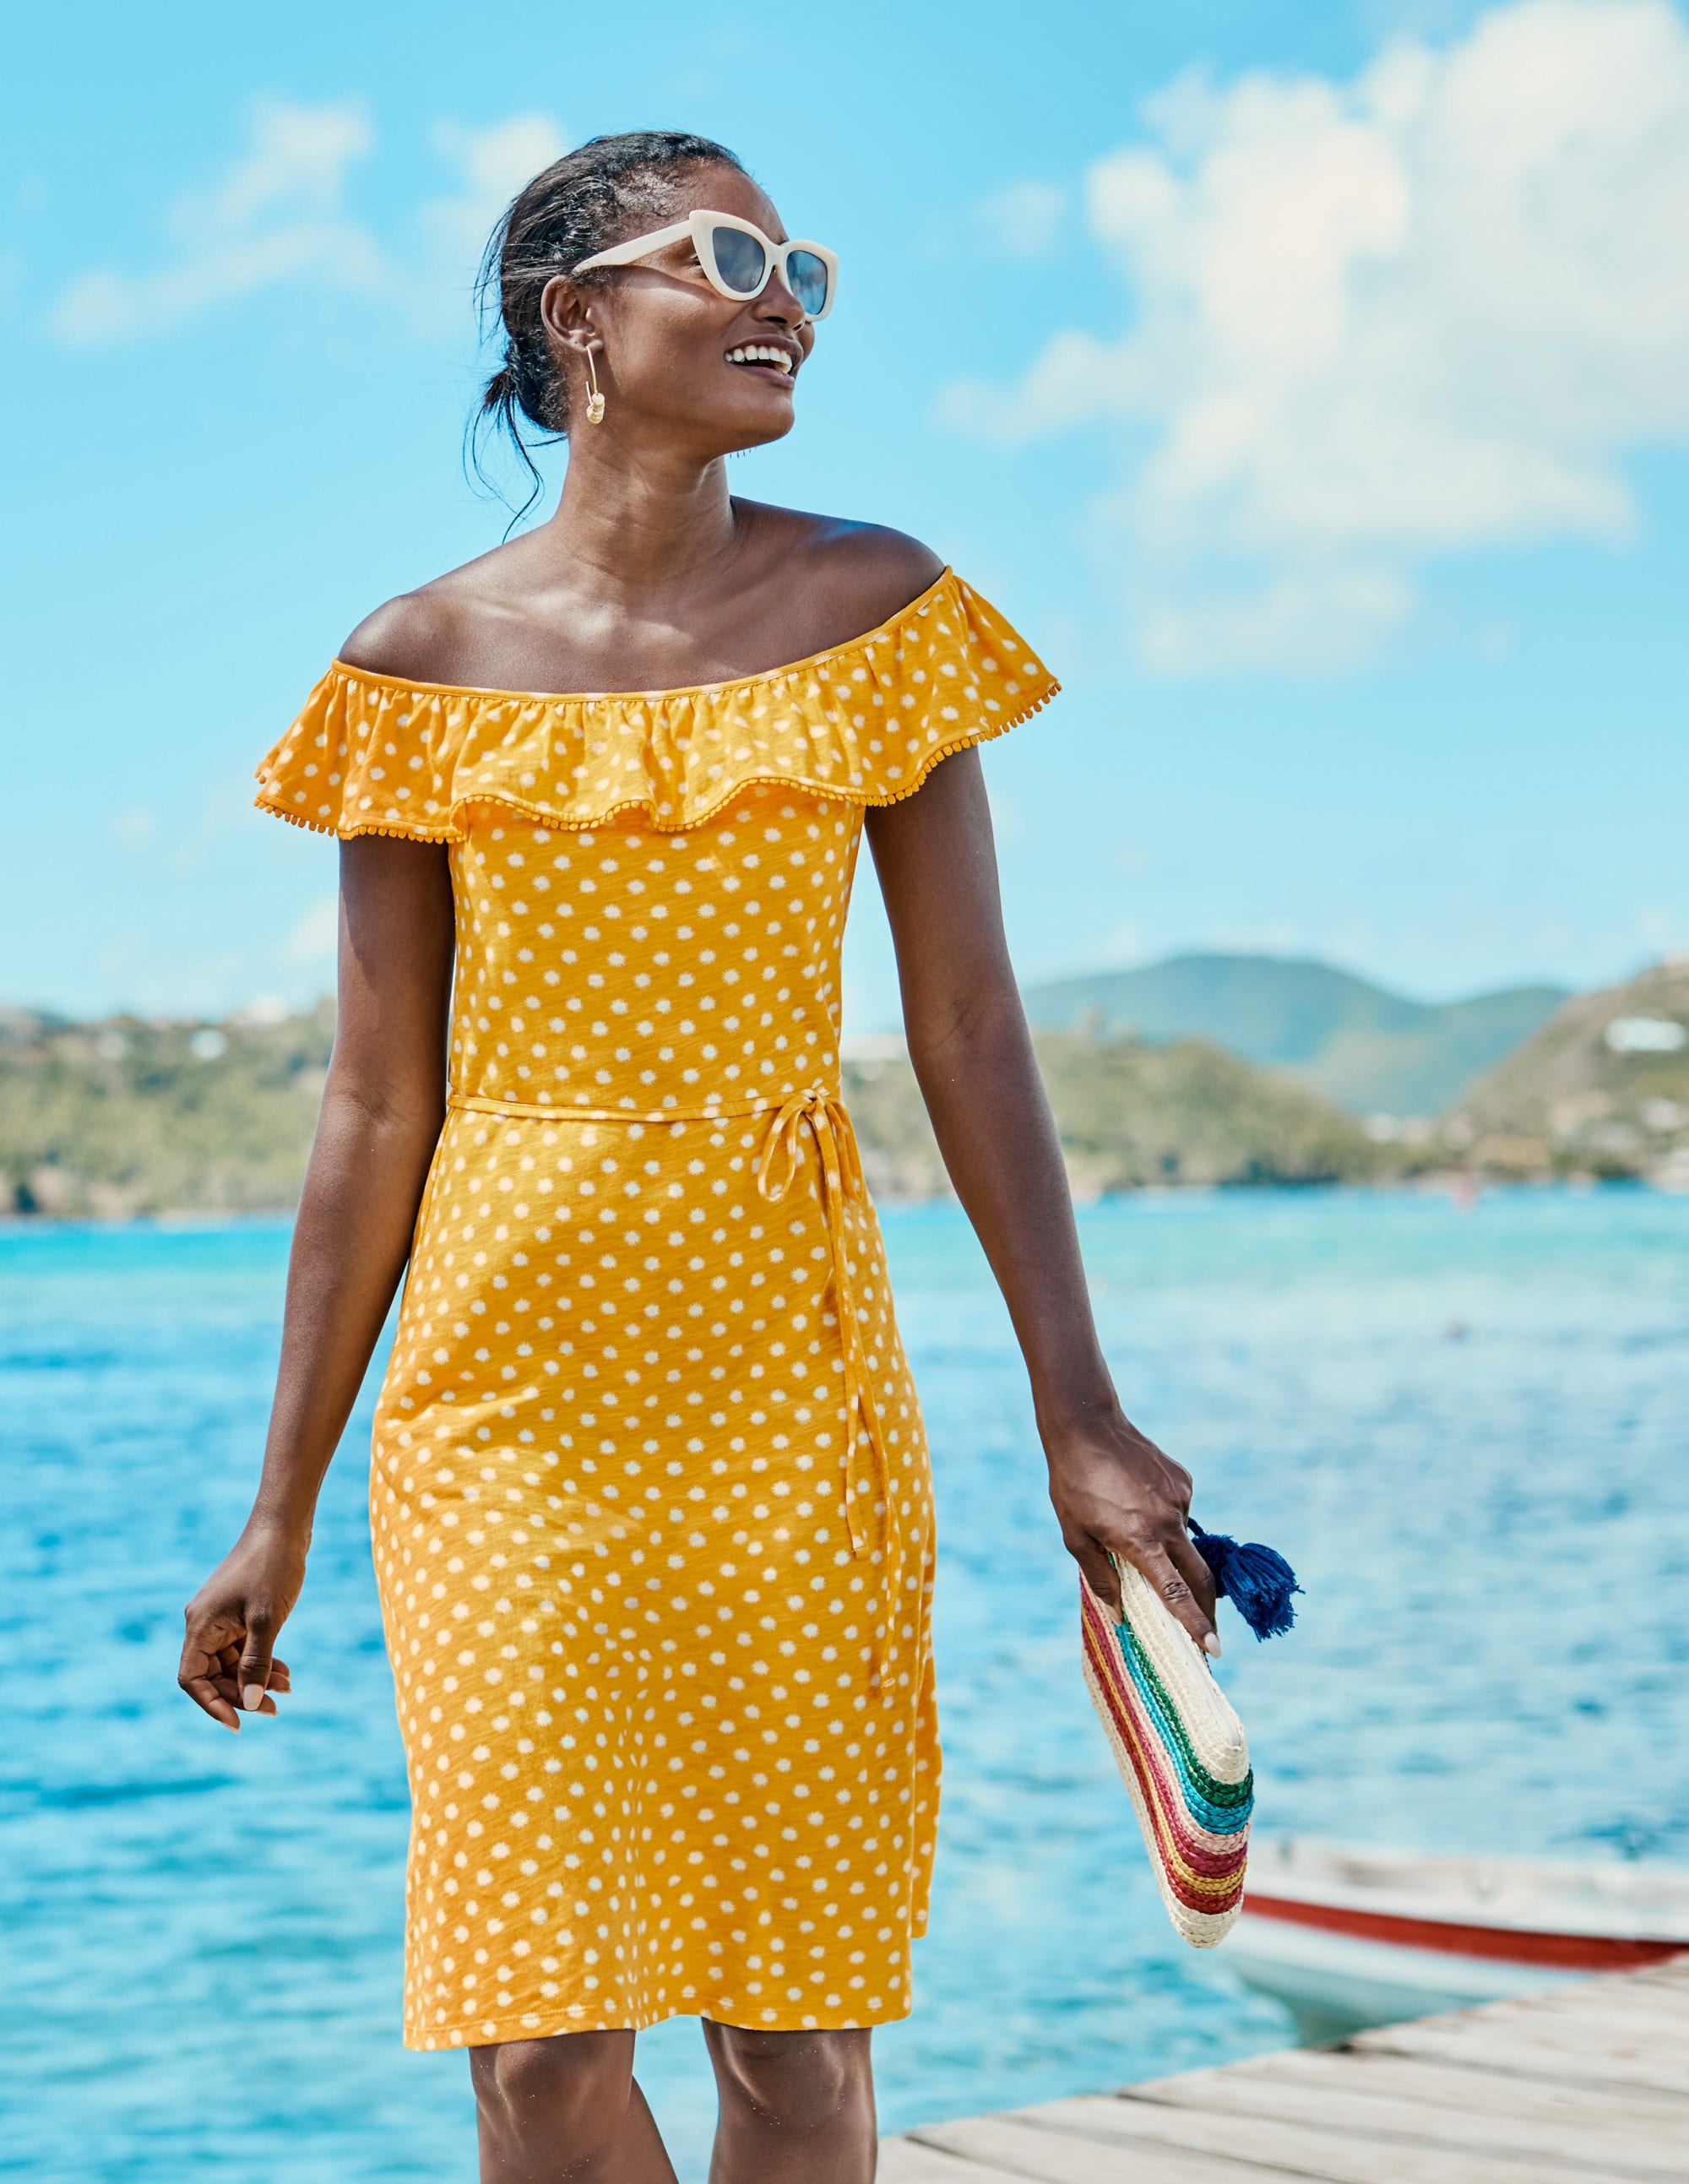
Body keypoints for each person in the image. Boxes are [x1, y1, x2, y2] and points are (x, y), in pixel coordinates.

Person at [178, 129, 1217, 2184]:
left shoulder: (874, 606)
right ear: (575, 317)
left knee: (790, 2044)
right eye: (727, 255)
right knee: (539, 2047)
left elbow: (970, 1029)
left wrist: (1075, 1411)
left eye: (803, 263)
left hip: (785, 1391)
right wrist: (276, 1504)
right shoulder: (419, 665)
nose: (784, 299)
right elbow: (379, 1104)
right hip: (501, 1413)